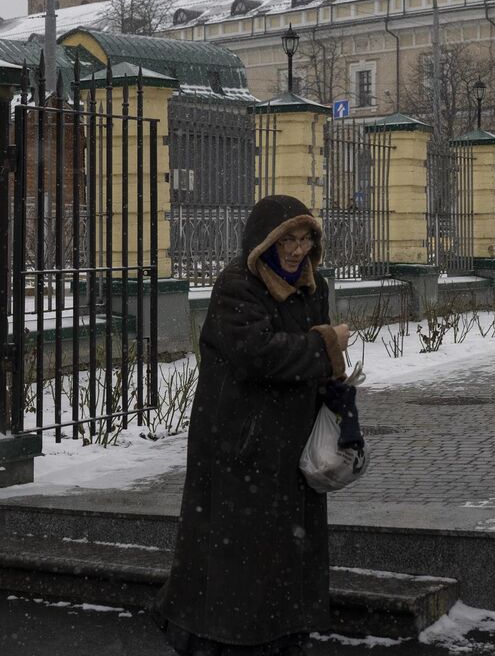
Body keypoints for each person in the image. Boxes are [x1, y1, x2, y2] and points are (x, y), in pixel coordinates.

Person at [156, 195, 351, 656]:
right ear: (264, 241)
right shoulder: (236, 286)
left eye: (305, 240)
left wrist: (340, 405)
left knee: (285, 550)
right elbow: (255, 354)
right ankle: (217, 640)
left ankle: (283, 633)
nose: (296, 250)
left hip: (291, 443)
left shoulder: (312, 286)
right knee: (233, 553)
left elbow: (312, 361)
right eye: (287, 240)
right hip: (238, 442)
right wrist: (324, 345)